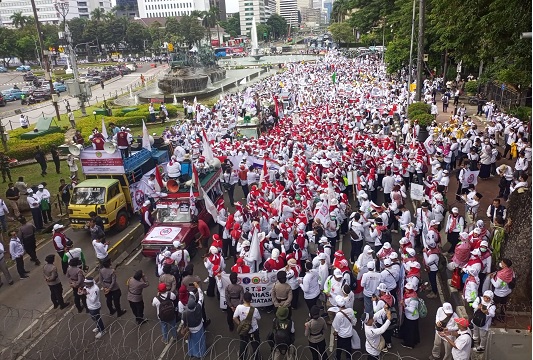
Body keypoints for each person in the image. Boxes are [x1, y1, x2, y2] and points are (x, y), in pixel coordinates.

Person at [233, 291, 261, 360]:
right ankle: (255, 357)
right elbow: (259, 318)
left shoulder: (239, 307)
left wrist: (240, 324)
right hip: (253, 330)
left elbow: (234, 317)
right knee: (255, 345)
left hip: (243, 331)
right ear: (251, 300)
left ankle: (242, 357)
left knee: (243, 345)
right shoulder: (255, 310)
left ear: (243, 299)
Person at [182, 282, 207, 358]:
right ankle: (201, 353)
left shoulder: (185, 313)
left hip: (191, 329)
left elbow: (183, 322)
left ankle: (192, 353)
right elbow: (201, 296)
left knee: (192, 341)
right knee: (200, 341)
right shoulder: (198, 307)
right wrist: (198, 287)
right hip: (199, 327)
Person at [332, 295, 358, 359]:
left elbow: (336, 327)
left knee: (339, 347)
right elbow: (354, 321)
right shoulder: (350, 310)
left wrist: (335, 333)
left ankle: (338, 357)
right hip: (349, 333)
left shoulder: (338, 315)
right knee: (348, 347)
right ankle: (348, 358)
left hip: (341, 335)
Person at [399, 282, 420, 349]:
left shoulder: (413, 299)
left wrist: (404, 306)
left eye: (408, 289)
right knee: (413, 330)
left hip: (411, 317)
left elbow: (412, 310)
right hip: (410, 316)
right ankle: (415, 340)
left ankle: (409, 344)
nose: (406, 290)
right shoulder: (411, 295)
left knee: (410, 331)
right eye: (406, 289)